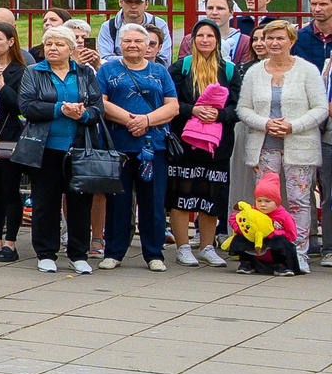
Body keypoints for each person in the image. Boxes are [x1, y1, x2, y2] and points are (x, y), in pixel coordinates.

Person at [235, 19, 327, 274]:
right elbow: (243, 108)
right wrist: (265, 123)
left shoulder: (307, 71)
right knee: (265, 202)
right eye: (269, 38)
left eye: (280, 38)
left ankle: (298, 253)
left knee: (299, 201)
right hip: (264, 145)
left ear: (291, 41)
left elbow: (320, 108)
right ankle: (264, 253)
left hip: (300, 146)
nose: (274, 43)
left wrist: (293, 126)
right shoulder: (255, 72)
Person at [17, 25, 107, 277]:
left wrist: (83, 114)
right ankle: (45, 253)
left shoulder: (85, 73)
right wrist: (60, 109)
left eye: (58, 44)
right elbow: (27, 106)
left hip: (79, 147)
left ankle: (78, 254)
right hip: (46, 147)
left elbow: (98, 108)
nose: (53, 49)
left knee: (80, 202)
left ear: (71, 48)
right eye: (48, 44)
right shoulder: (33, 72)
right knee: (45, 202)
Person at [98, 21, 180, 272]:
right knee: (118, 203)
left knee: (153, 202)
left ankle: (154, 254)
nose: (133, 45)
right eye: (127, 41)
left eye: (138, 41)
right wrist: (130, 120)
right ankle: (113, 252)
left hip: (152, 147)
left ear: (148, 46)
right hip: (119, 145)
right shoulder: (108, 70)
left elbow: (173, 106)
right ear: (119, 45)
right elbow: (101, 102)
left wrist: (146, 121)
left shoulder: (159, 71)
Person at [167, 16, 238, 268]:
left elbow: (237, 107)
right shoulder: (180, 68)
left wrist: (219, 114)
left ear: (217, 41)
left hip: (216, 147)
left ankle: (207, 246)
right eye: (200, 36)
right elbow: (169, 102)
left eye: (210, 36)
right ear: (192, 40)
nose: (205, 40)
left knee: (212, 196)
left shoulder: (228, 70)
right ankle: (183, 247)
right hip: (184, 144)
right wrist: (192, 110)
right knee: (182, 196)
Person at [0, 17, 30, 265]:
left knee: (10, 190)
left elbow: (20, 105)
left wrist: (0, 83)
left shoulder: (22, 72)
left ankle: (10, 242)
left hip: (10, 135)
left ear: (11, 42)